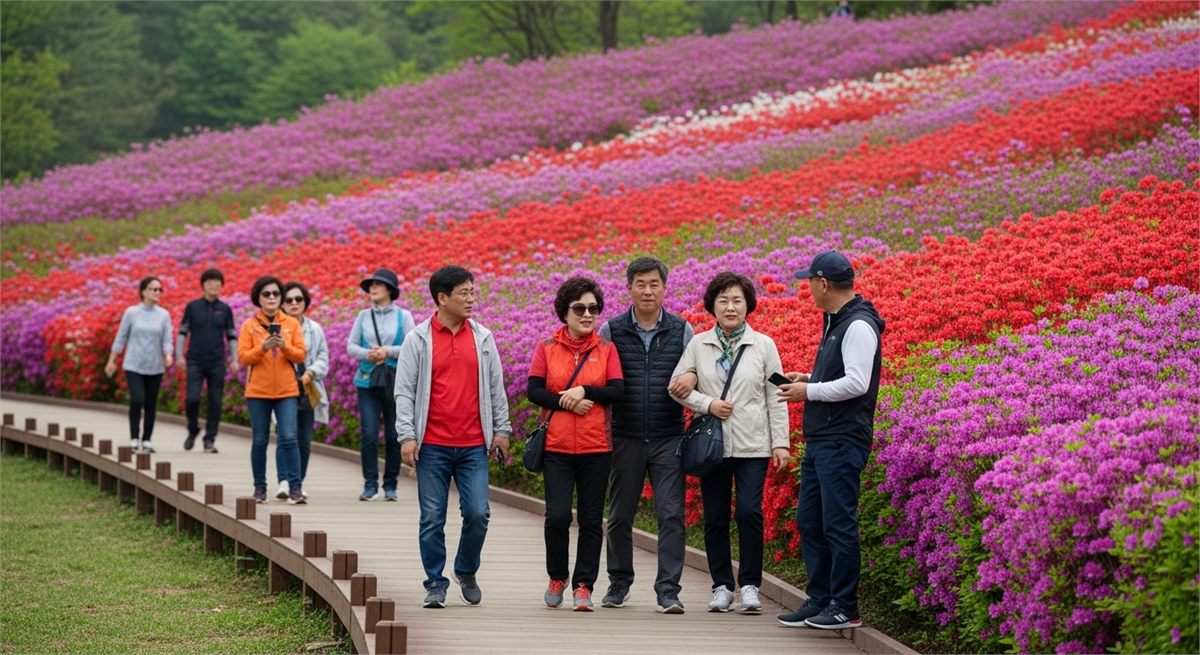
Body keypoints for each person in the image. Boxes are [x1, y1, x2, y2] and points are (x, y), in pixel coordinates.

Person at [775, 251, 884, 630]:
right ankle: (820, 598)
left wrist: (810, 392)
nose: (808, 288)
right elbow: (842, 374)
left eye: (809, 281)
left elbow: (857, 382)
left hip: (842, 439)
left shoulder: (857, 325)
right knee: (810, 520)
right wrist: (808, 376)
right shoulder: (836, 321)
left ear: (823, 284)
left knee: (837, 524)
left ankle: (844, 605)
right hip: (823, 439)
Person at [670, 272, 790, 614]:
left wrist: (780, 442)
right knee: (716, 517)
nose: (730, 306)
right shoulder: (698, 344)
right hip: (714, 445)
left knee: (750, 513)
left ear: (747, 304)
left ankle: (750, 585)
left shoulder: (764, 345)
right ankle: (722, 585)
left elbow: (777, 394)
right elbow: (675, 387)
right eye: (723, 300)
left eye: (737, 300)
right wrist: (707, 404)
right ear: (713, 306)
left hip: (754, 445)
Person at [395, 265, 512, 609]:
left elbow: (495, 388)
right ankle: (435, 581)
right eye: (464, 292)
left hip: (474, 444)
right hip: (432, 445)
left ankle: (466, 569)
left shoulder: (483, 338)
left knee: (478, 513)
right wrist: (407, 436)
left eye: (473, 291)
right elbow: (405, 391)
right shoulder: (418, 340)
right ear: (442, 298)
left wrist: (501, 430)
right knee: (432, 517)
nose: (471, 298)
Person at [598, 256, 695, 614]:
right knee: (621, 515)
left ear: (665, 288)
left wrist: (694, 378)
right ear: (629, 288)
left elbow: (696, 371)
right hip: (624, 436)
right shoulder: (611, 330)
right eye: (640, 283)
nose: (648, 290)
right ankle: (619, 584)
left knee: (671, 515)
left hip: (669, 435)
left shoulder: (682, 330)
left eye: (654, 283)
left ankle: (668, 589)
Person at [527, 277, 623, 612]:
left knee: (592, 519)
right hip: (556, 448)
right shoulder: (547, 349)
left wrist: (586, 392)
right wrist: (567, 402)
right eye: (579, 308)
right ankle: (557, 575)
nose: (587, 314)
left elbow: (616, 391)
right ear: (564, 312)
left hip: (597, 447)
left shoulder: (606, 350)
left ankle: (584, 586)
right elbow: (534, 391)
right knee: (555, 516)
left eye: (593, 309)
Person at [237, 276, 307, 505]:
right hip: (258, 391)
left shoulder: (291, 323)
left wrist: (283, 345)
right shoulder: (249, 326)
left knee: (289, 437)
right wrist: (263, 347)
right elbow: (243, 358)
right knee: (259, 440)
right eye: (266, 294)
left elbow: (300, 355)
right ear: (258, 297)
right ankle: (259, 488)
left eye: (276, 294)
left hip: (286, 390)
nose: (271, 298)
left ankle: (295, 488)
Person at [347, 268, 415, 501]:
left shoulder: (403, 316)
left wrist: (387, 351)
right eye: (371, 285)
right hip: (367, 382)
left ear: (390, 289)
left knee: (394, 435)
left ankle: (390, 485)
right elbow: (351, 346)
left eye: (378, 284)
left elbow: (411, 344)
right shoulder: (363, 316)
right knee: (368, 434)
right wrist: (369, 354)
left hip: (395, 382)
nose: (372, 289)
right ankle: (369, 484)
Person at [105, 276, 174, 454]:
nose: (157, 292)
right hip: (133, 364)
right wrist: (112, 360)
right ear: (143, 291)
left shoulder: (163, 315)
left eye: (159, 290)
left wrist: (168, 355)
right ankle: (134, 438)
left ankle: (147, 440)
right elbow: (121, 337)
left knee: (151, 403)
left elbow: (167, 339)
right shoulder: (131, 313)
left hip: (155, 366)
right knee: (137, 399)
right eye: (153, 289)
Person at [275, 281, 329, 501]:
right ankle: (285, 481)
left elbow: (324, 358)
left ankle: (298, 481)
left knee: (304, 439)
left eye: (298, 299)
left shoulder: (314, 329)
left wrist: (311, 372)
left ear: (305, 302)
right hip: (281, 388)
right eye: (289, 300)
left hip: (306, 387)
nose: (294, 303)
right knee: (285, 435)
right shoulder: (276, 327)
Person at [178, 268, 238, 453]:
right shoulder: (193, 307)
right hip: (195, 360)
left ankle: (209, 439)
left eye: (217, 282)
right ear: (203, 285)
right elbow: (182, 332)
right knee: (192, 399)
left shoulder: (225, 309)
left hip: (217, 362)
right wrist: (179, 354)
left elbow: (231, 335)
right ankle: (193, 429)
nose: (214, 285)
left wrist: (234, 359)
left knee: (216, 401)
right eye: (210, 282)